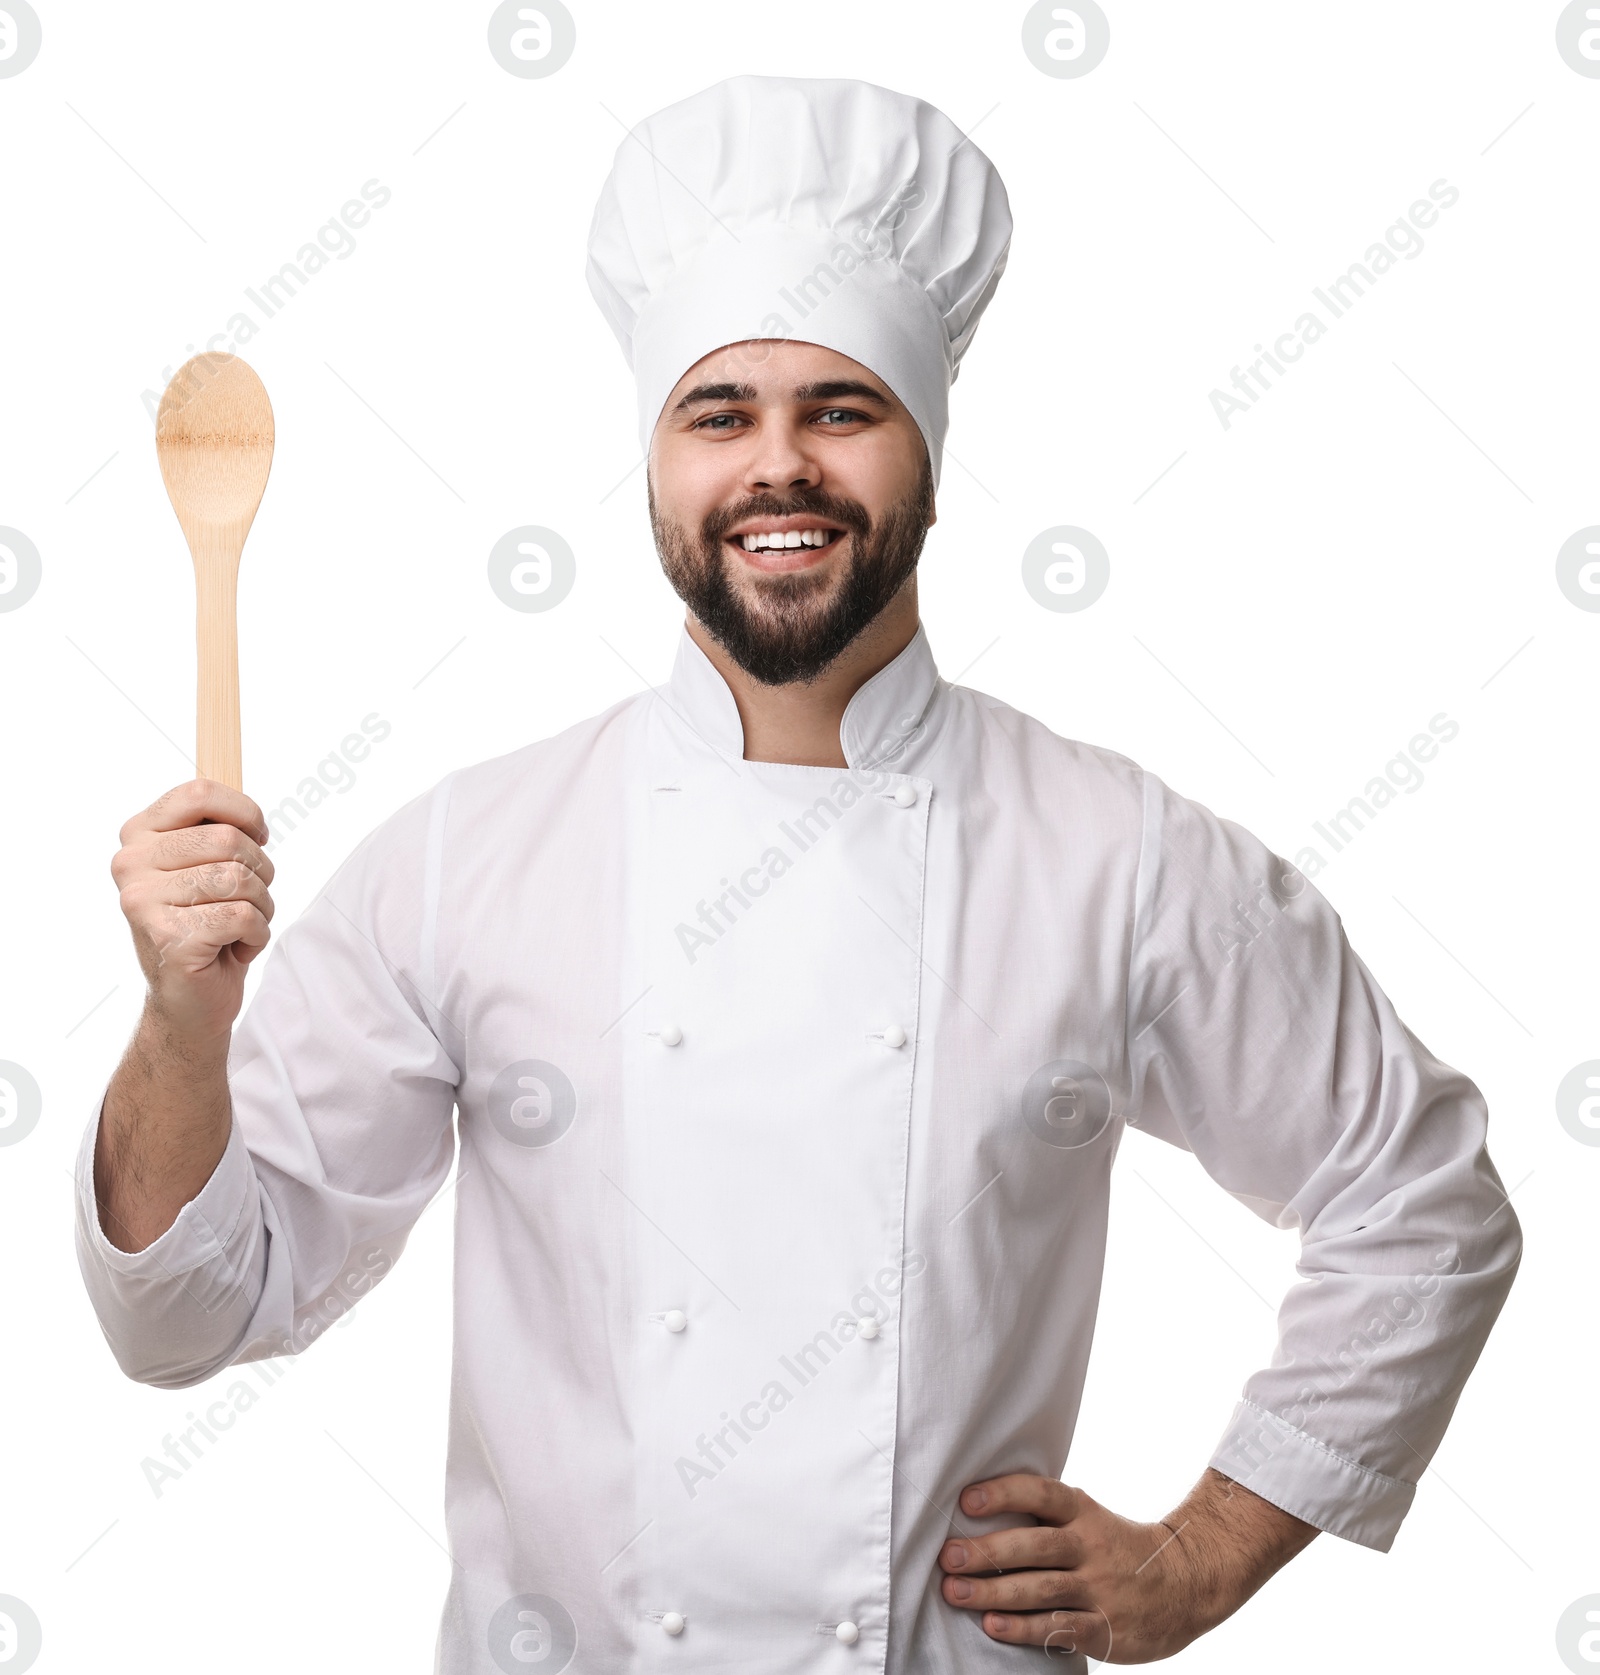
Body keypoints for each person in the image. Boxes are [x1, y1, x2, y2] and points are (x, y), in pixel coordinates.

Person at [77, 75, 1521, 1672]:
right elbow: (192, 1316)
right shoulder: (469, 858)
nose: (781, 467)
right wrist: (179, 1027)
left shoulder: (1120, 856)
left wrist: (1204, 1555)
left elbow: (1420, 1203)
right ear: (654, 458)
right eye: (721, 413)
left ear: (926, 442)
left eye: (841, 407)